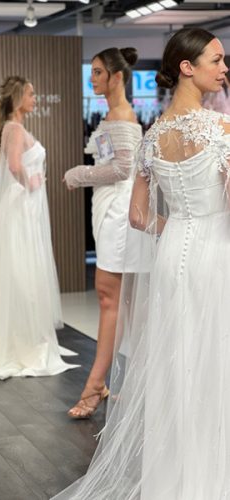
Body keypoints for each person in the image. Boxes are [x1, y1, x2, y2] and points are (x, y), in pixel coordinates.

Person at [53, 28, 230, 498]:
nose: (224, 68)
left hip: (174, 254)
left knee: (180, 361)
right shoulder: (222, 130)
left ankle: (174, 476)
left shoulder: (152, 138)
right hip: (217, 251)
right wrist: (207, 223)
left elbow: (137, 216)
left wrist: (181, 226)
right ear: (188, 67)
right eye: (216, 60)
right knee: (215, 363)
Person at [0, 76, 78, 384]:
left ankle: (26, 334)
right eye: (31, 94)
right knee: (22, 269)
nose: (35, 98)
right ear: (18, 97)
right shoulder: (14, 129)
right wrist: (31, 181)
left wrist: (33, 181)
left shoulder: (17, 128)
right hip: (22, 206)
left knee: (25, 268)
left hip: (27, 206)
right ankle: (21, 338)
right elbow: (14, 165)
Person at [62, 48, 147, 419]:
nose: (92, 78)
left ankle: (95, 384)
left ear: (117, 76)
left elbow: (123, 168)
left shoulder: (122, 116)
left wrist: (78, 174)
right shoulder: (114, 115)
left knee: (110, 297)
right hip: (110, 210)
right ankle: (116, 381)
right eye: (92, 71)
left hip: (119, 213)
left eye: (98, 72)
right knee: (115, 300)